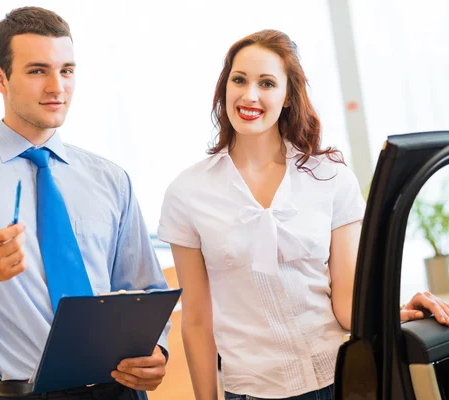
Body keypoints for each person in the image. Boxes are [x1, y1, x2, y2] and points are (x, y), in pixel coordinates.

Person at [0, 7, 170, 400]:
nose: (57, 87)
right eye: (38, 71)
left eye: (67, 70)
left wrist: (157, 350)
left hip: (122, 391)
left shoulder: (111, 180)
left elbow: (144, 289)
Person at [158, 29, 449, 400]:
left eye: (267, 83)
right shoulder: (187, 193)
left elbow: (346, 305)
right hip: (250, 391)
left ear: (288, 97)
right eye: (239, 80)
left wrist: (397, 310)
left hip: (340, 382)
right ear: (224, 88)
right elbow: (197, 322)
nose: (250, 95)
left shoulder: (330, 177)